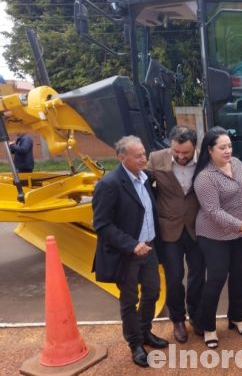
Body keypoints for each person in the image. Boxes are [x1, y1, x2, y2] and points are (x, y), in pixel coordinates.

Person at [92, 135, 168, 368]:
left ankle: (145, 332)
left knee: (152, 292)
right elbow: (102, 225)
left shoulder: (144, 179)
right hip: (127, 253)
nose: (143, 159)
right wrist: (131, 244)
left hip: (149, 247)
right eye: (137, 156)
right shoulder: (109, 184)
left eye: (144, 154)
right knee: (129, 300)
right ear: (121, 157)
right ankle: (135, 343)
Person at [194, 126, 242, 349]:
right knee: (216, 279)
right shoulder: (205, 178)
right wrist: (241, 226)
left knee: (238, 276)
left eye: (229, 146)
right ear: (210, 150)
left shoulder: (236, 164)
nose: (227, 151)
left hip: (240, 234)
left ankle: (236, 318)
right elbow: (213, 212)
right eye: (222, 147)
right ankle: (208, 326)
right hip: (213, 235)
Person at [146, 126, 204, 343]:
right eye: (176, 152)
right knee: (173, 277)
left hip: (198, 227)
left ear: (195, 147)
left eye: (185, 153)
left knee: (198, 276)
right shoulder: (155, 158)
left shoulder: (206, 159)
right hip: (169, 229)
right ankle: (178, 319)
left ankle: (196, 315)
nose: (180, 156)